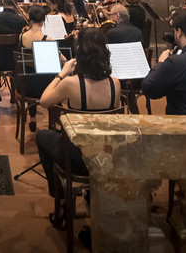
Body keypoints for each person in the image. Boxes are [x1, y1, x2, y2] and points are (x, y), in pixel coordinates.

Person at [35, 28, 121, 226]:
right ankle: (91, 191)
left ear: (80, 53)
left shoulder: (71, 83)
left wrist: (61, 74)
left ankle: (61, 198)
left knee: (42, 136)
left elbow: (44, 101)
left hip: (76, 156)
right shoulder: (115, 83)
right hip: (104, 155)